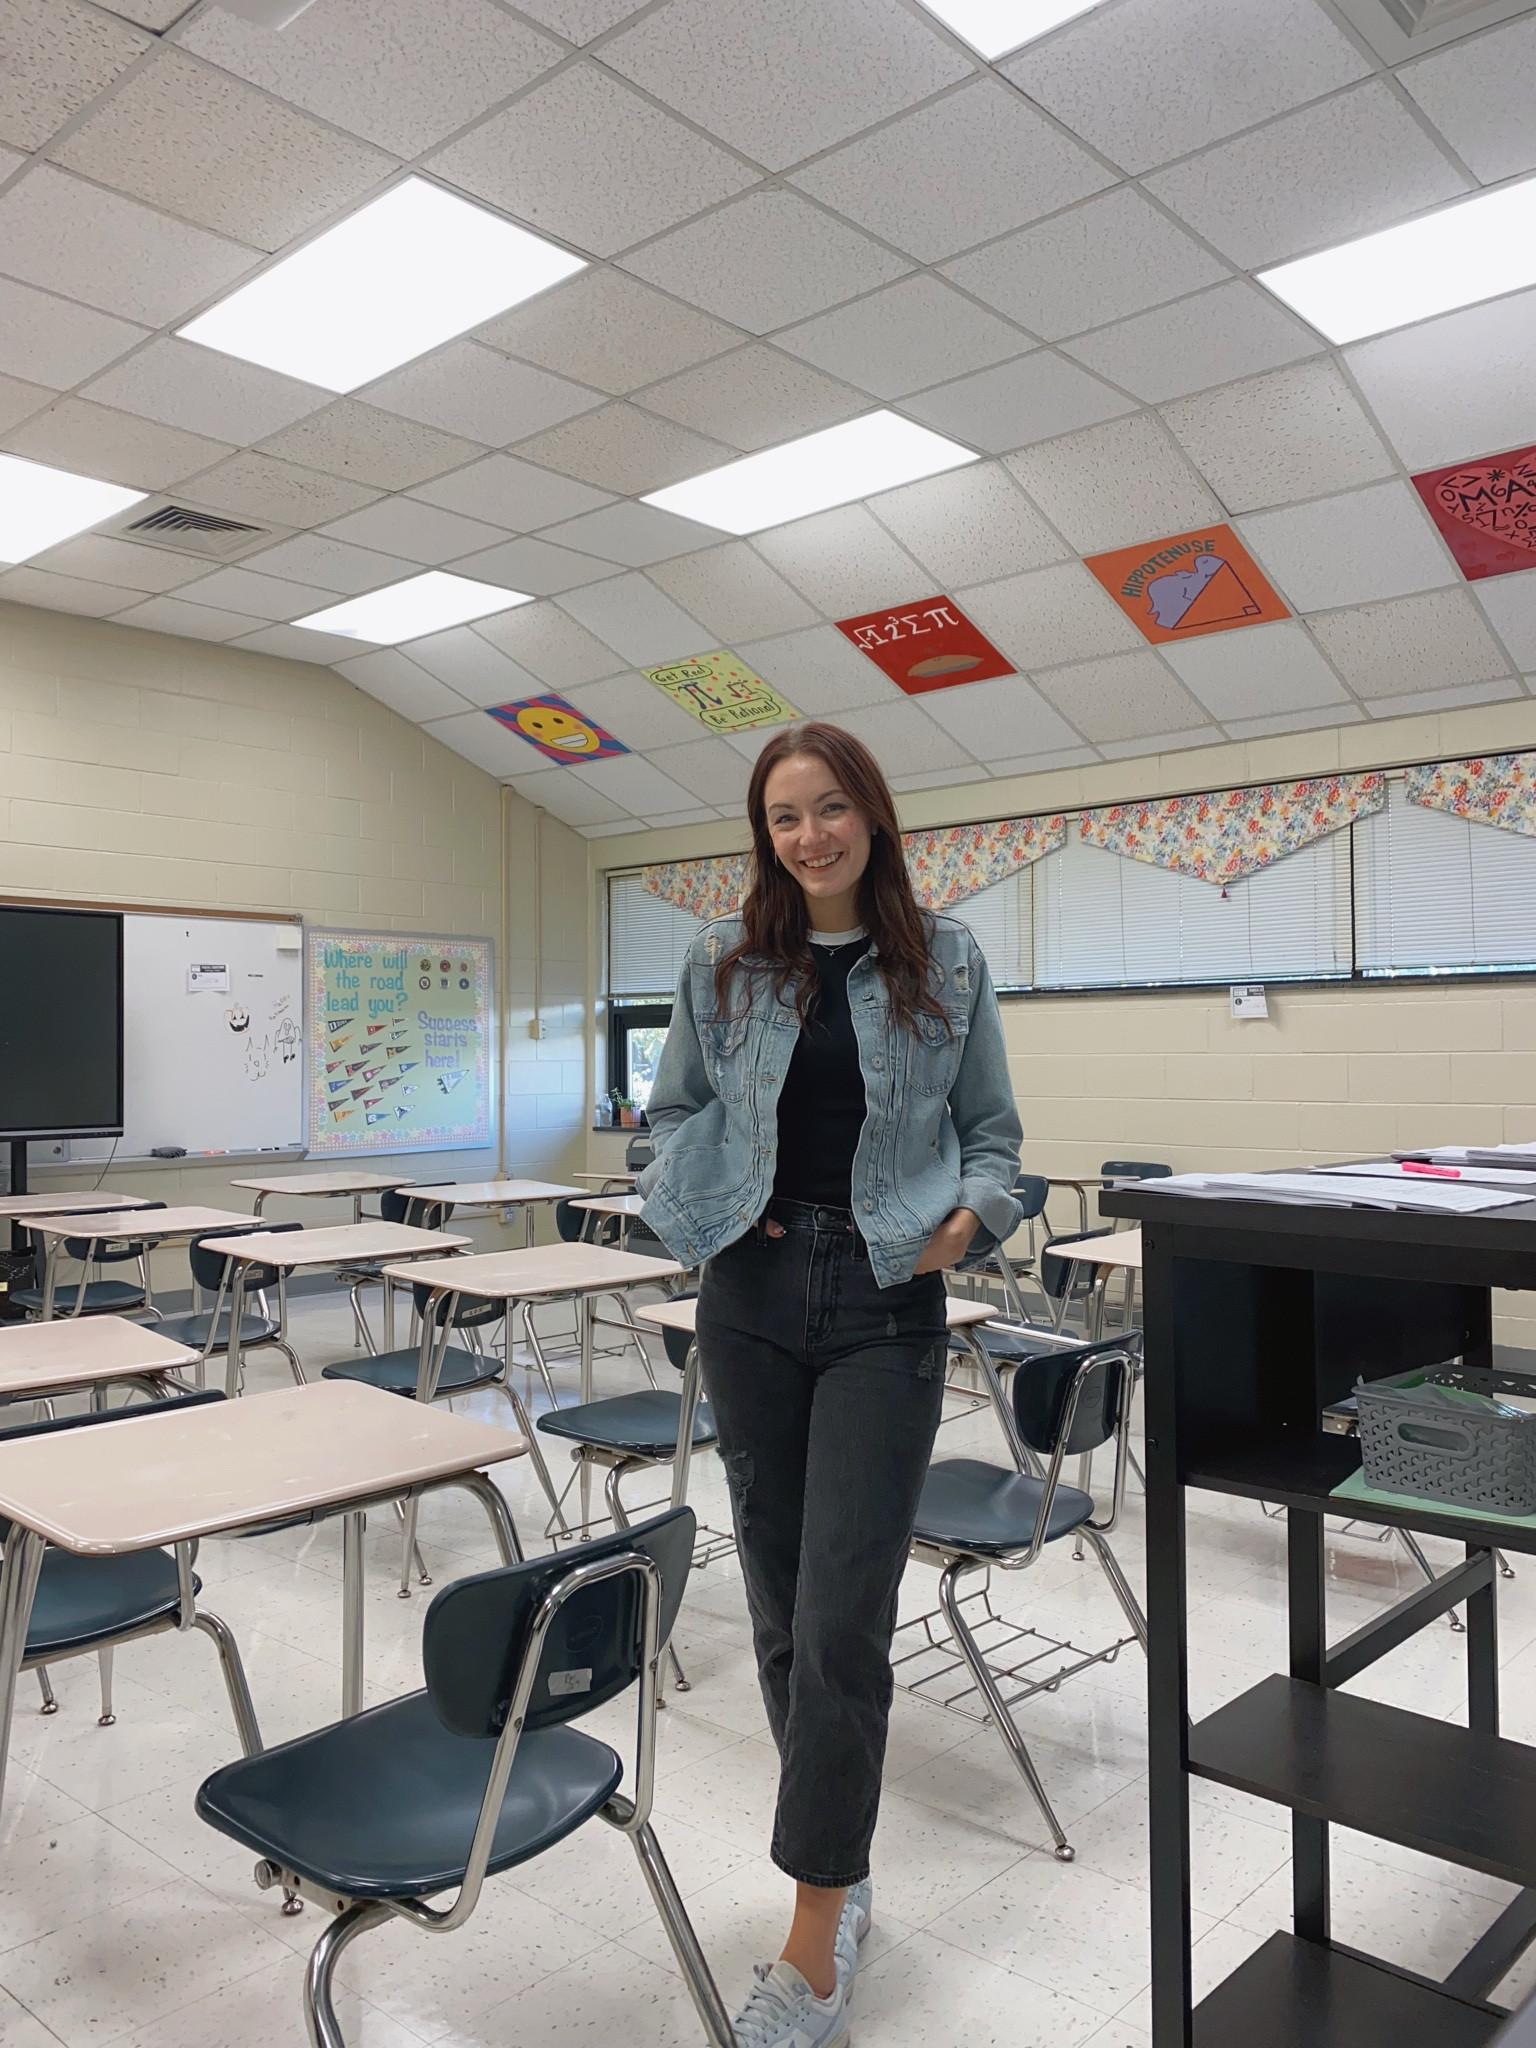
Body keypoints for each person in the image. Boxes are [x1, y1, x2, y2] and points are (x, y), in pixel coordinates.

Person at [638, 721, 1023, 2047]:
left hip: (882, 1300)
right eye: (784, 817)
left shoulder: (945, 958)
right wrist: (697, 1198)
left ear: (873, 813)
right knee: (781, 1606)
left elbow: (993, 1135)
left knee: (844, 1615)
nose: (810, 836)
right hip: (748, 1295)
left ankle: (810, 1947)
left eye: (830, 808)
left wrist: (969, 1220)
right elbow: (670, 1114)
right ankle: (840, 1876)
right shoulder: (722, 959)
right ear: (766, 835)